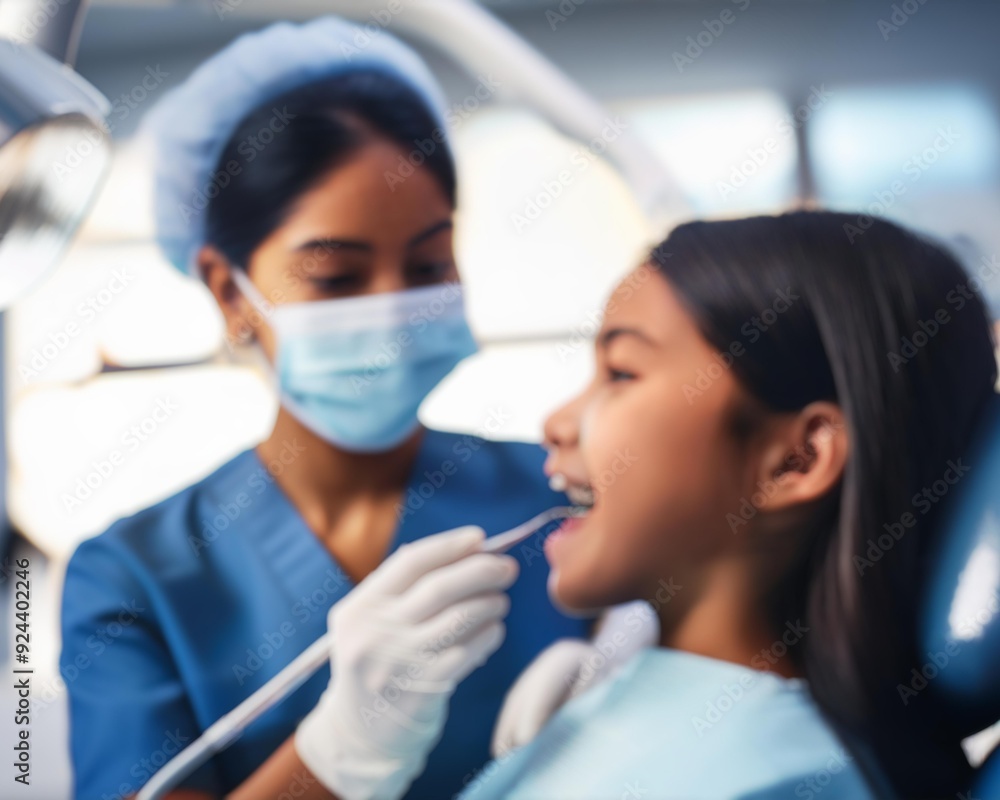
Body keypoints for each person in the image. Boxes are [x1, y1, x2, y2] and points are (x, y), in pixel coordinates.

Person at [58, 18, 595, 800]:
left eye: (427, 264)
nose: (393, 307)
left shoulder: (559, 499)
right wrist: (342, 752)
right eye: (337, 278)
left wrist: (636, 662)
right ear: (225, 289)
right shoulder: (135, 578)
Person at [457, 211, 998, 799]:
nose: (557, 424)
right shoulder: (653, 706)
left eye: (620, 373)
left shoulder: (778, 781)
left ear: (796, 461)